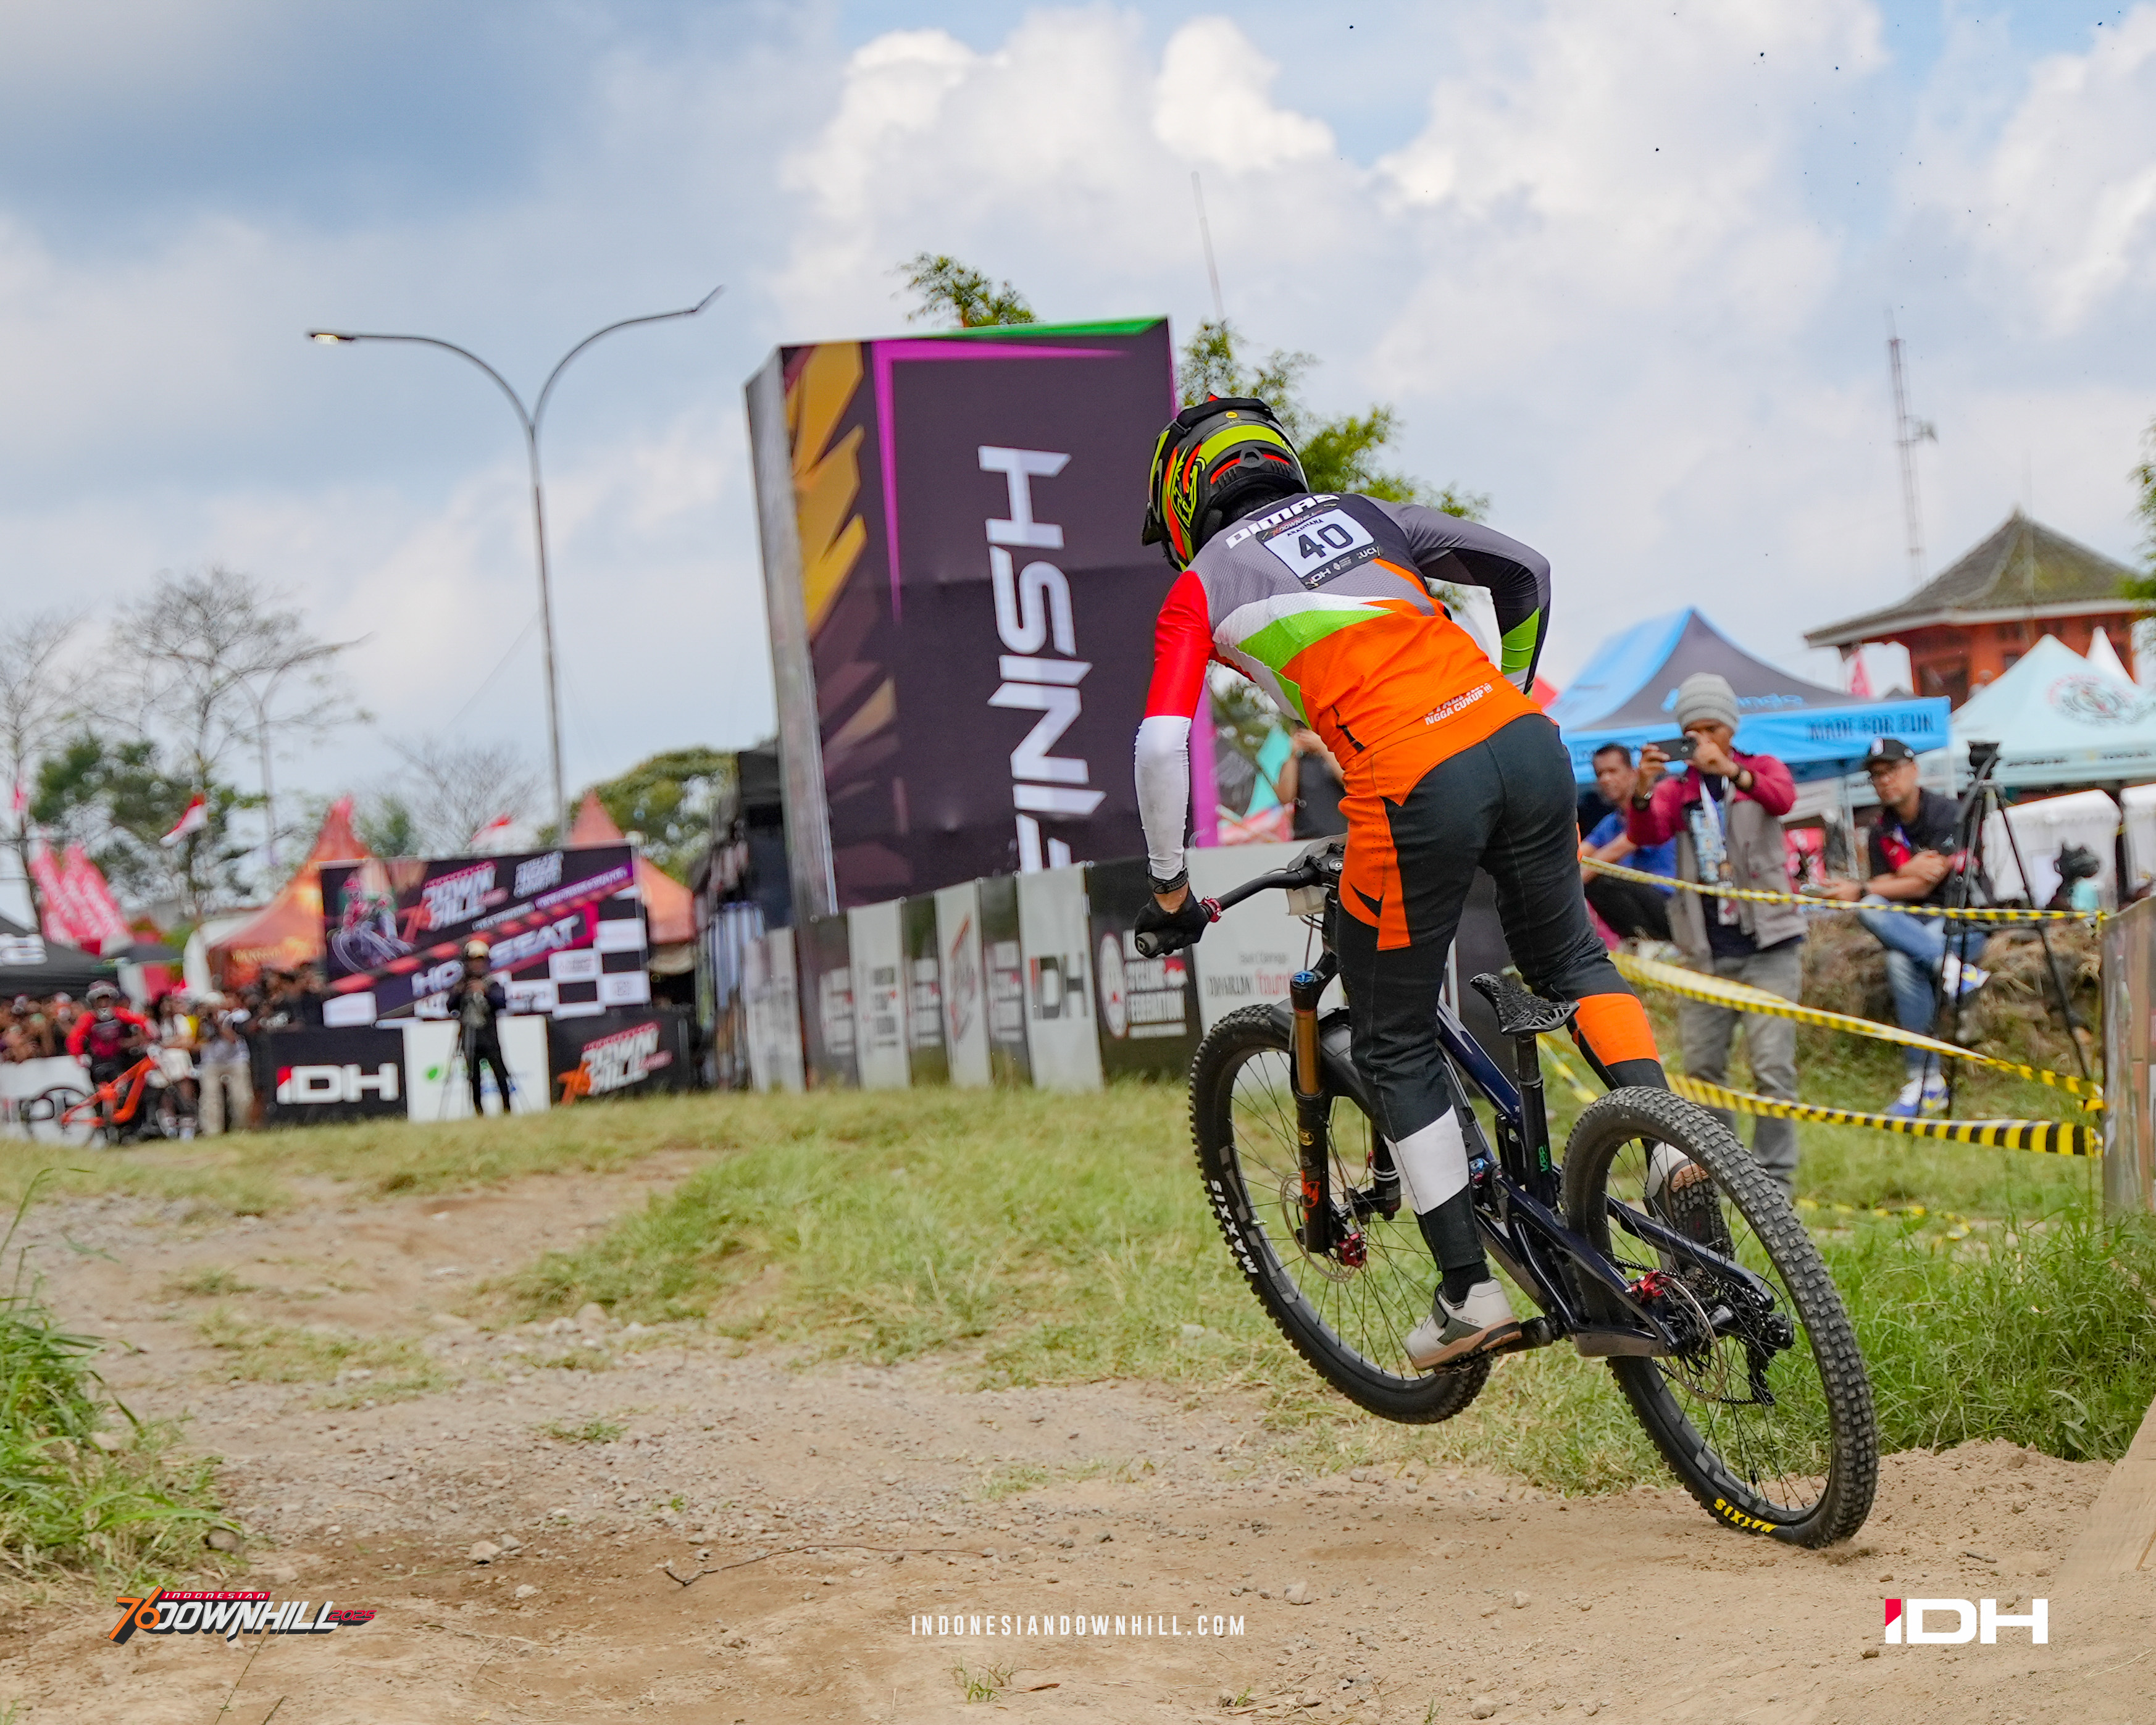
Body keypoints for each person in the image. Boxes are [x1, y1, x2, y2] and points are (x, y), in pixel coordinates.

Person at [1128, 395, 1668, 1370]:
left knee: (1392, 1034)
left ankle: (1468, 1293)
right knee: (1573, 958)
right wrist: (1499, 689)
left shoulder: (1200, 586)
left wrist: (1170, 886)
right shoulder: (1370, 517)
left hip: (1409, 785)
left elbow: (1164, 739)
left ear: (1182, 501)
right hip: (1526, 741)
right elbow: (1526, 571)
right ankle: (1676, 1153)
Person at [1627, 672, 1804, 1198]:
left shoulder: (1759, 769)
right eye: (1693, 731)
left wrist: (1730, 772)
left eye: (1713, 728)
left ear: (1731, 728)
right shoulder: (1677, 790)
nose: (1703, 740)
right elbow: (1646, 834)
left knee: (1772, 1067)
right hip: (1705, 949)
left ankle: (1777, 1183)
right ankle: (1725, 1175)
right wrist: (1641, 788)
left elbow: (1783, 798)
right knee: (1703, 1069)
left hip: (1769, 945)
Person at [1815, 737, 1983, 1117]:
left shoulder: (1947, 812)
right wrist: (1895, 880)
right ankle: (1954, 974)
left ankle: (1925, 1079)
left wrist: (1869, 886)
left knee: (1881, 928)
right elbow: (1892, 894)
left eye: (1890, 770)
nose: (1884, 781)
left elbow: (1927, 880)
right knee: (1877, 917)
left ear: (1913, 770)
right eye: (1875, 775)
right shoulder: (1879, 831)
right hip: (1915, 924)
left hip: (1962, 921)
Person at [1579, 743, 1676, 945]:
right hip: (1643, 903)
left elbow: (1597, 864)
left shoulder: (1652, 810)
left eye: (1613, 771)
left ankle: (1652, 944)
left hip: (1674, 904)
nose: (1605, 780)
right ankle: (1639, 943)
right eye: (1599, 774)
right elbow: (1577, 858)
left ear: (1633, 773)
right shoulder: (1610, 823)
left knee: (1601, 879)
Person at [65, 981, 152, 1140]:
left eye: (107, 999)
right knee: (100, 1096)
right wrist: (79, 1055)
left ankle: (126, 1128)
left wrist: (150, 1034)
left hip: (119, 1061)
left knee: (126, 1093)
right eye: (100, 1000)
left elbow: (141, 1020)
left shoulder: (120, 1014)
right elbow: (75, 1037)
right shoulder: (88, 1018)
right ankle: (105, 1130)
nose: (104, 1003)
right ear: (94, 1002)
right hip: (98, 1062)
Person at [448, 939, 513, 1116]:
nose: (477, 965)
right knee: (473, 1078)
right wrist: (461, 991)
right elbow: (450, 1006)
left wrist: (485, 991)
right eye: (473, 961)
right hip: (470, 1039)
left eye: (480, 961)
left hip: (490, 1038)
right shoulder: (461, 985)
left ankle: (507, 1110)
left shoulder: (492, 983)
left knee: (500, 1075)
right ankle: (479, 1112)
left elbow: (501, 1003)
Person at [196, 997, 254, 1135]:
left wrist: (218, 1023)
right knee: (210, 1098)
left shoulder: (237, 1016)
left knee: (242, 1097)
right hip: (211, 1061)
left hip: (236, 1060)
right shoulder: (203, 1020)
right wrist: (204, 1022)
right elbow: (197, 1040)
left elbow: (233, 1039)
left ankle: (243, 1128)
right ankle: (211, 1131)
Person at [1279, 727, 1347, 839]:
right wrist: (1292, 755)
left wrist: (1323, 747)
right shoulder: (1295, 763)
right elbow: (1285, 797)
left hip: (1340, 833)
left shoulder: (1338, 756)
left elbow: (1348, 781)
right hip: (1305, 835)